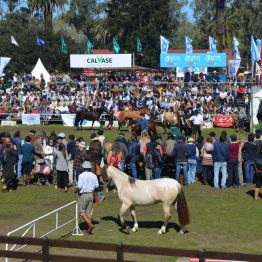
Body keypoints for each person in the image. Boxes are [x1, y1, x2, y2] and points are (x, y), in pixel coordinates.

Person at [76, 161, 99, 234]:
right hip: (91, 195)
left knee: (82, 212)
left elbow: (79, 186)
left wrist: (75, 190)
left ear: (83, 168)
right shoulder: (94, 175)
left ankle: (90, 225)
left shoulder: (81, 175)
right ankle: (89, 229)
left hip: (84, 195)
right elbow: (97, 186)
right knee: (89, 212)